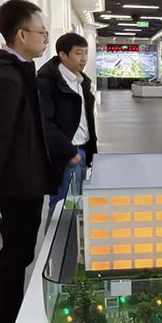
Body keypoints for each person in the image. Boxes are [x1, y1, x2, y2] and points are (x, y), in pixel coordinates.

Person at [0, 0, 78, 323]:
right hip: (16, 186)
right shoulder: (6, 77)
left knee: (17, 254)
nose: (45, 39)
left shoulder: (18, 70)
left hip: (23, 181)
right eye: (41, 33)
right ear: (21, 35)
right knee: (16, 256)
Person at [38, 32, 98, 219]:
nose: (84, 58)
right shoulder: (48, 83)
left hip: (82, 152)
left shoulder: (81, 81)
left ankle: (74, 238)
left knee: (76, 206)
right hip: (65, 156)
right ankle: (58, 239)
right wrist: (69, 153)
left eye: (86, 53)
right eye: (79, 53)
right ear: (63, 55)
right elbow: (45, 123)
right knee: (61, 208)